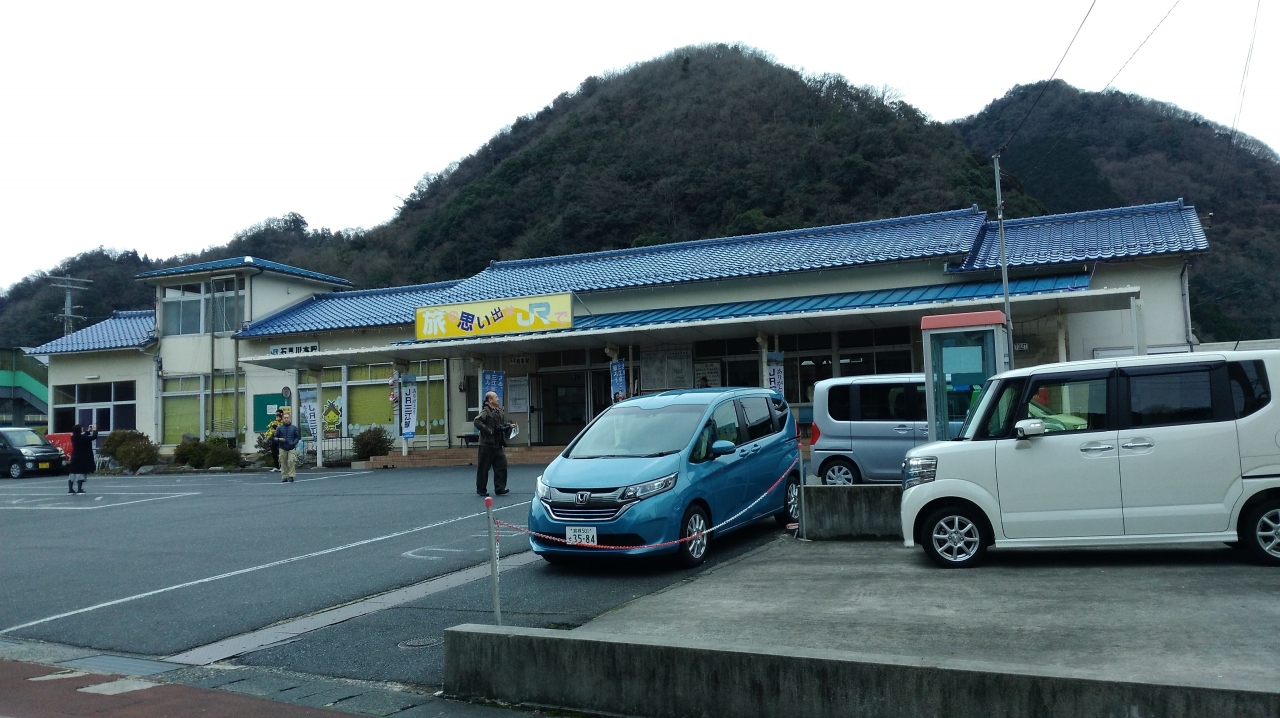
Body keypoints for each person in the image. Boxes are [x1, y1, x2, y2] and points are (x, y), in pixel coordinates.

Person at [474, 391, 510, 497]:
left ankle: (500, 488)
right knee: (483, 467)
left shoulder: (499, 411)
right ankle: (481, 489)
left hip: (497, 444)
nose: (498, 399)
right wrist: (488, 431)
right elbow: (477, 421)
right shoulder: (485, 411)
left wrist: (508, 426)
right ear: (490, 400)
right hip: (486, 444)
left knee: (501, 465)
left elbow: (500, 425)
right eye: (496, 397)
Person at [67, 424, 98, 494]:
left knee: (72, 473)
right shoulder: (82, 437)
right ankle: (79, 489)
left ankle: (70, 489)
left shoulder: (73, 437)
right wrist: (95, 430)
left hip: (75, 457)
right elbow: (93, 437)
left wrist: (88, 431)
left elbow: (84, 436)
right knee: (81, 473)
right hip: (82, 457)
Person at [274, 413, 301, 483]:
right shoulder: (279, 428)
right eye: (284, 418)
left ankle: (291, 476)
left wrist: (293, 443)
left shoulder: (294, 428)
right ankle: (284, 476)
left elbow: (297, 437)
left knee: (291, 461)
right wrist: (279, 439)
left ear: (290, 419)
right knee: (283, 462)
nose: (286, 419)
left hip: (291, 447)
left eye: (287, 418)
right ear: (282, 419)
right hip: (282, 447)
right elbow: (275, 438)